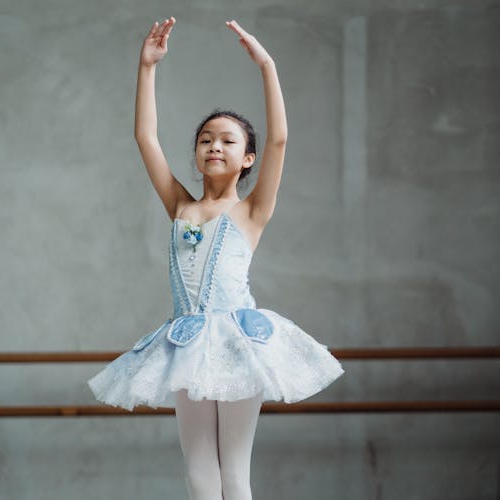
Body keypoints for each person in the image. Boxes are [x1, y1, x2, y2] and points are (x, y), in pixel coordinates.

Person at [88, 17, 344, 500]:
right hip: (186, 342)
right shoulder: (182, 206)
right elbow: (146, 140)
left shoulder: (251, 210)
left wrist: (266, 66)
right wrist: (147, 68)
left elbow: (280, 140)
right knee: (199, 470)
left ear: (247, 158)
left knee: (234, 472)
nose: (214, 146)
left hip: (236, 342)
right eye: (206, 139)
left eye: (228, 140)